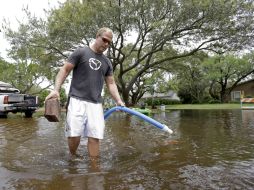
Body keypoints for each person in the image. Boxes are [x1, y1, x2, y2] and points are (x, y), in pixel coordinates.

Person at [45, 27, 125, 160]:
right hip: (77, 99)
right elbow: (64, 70)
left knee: (95, 137)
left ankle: (94, 167)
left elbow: (111, 83)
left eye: (109, 42)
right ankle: (73, 158)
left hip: (96, 103)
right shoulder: (81, 52)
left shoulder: (107, 62)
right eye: (104, 40)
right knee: (74, 134)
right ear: (97, 36)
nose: (106, 44)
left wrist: (118, 100)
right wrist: (56, 90)